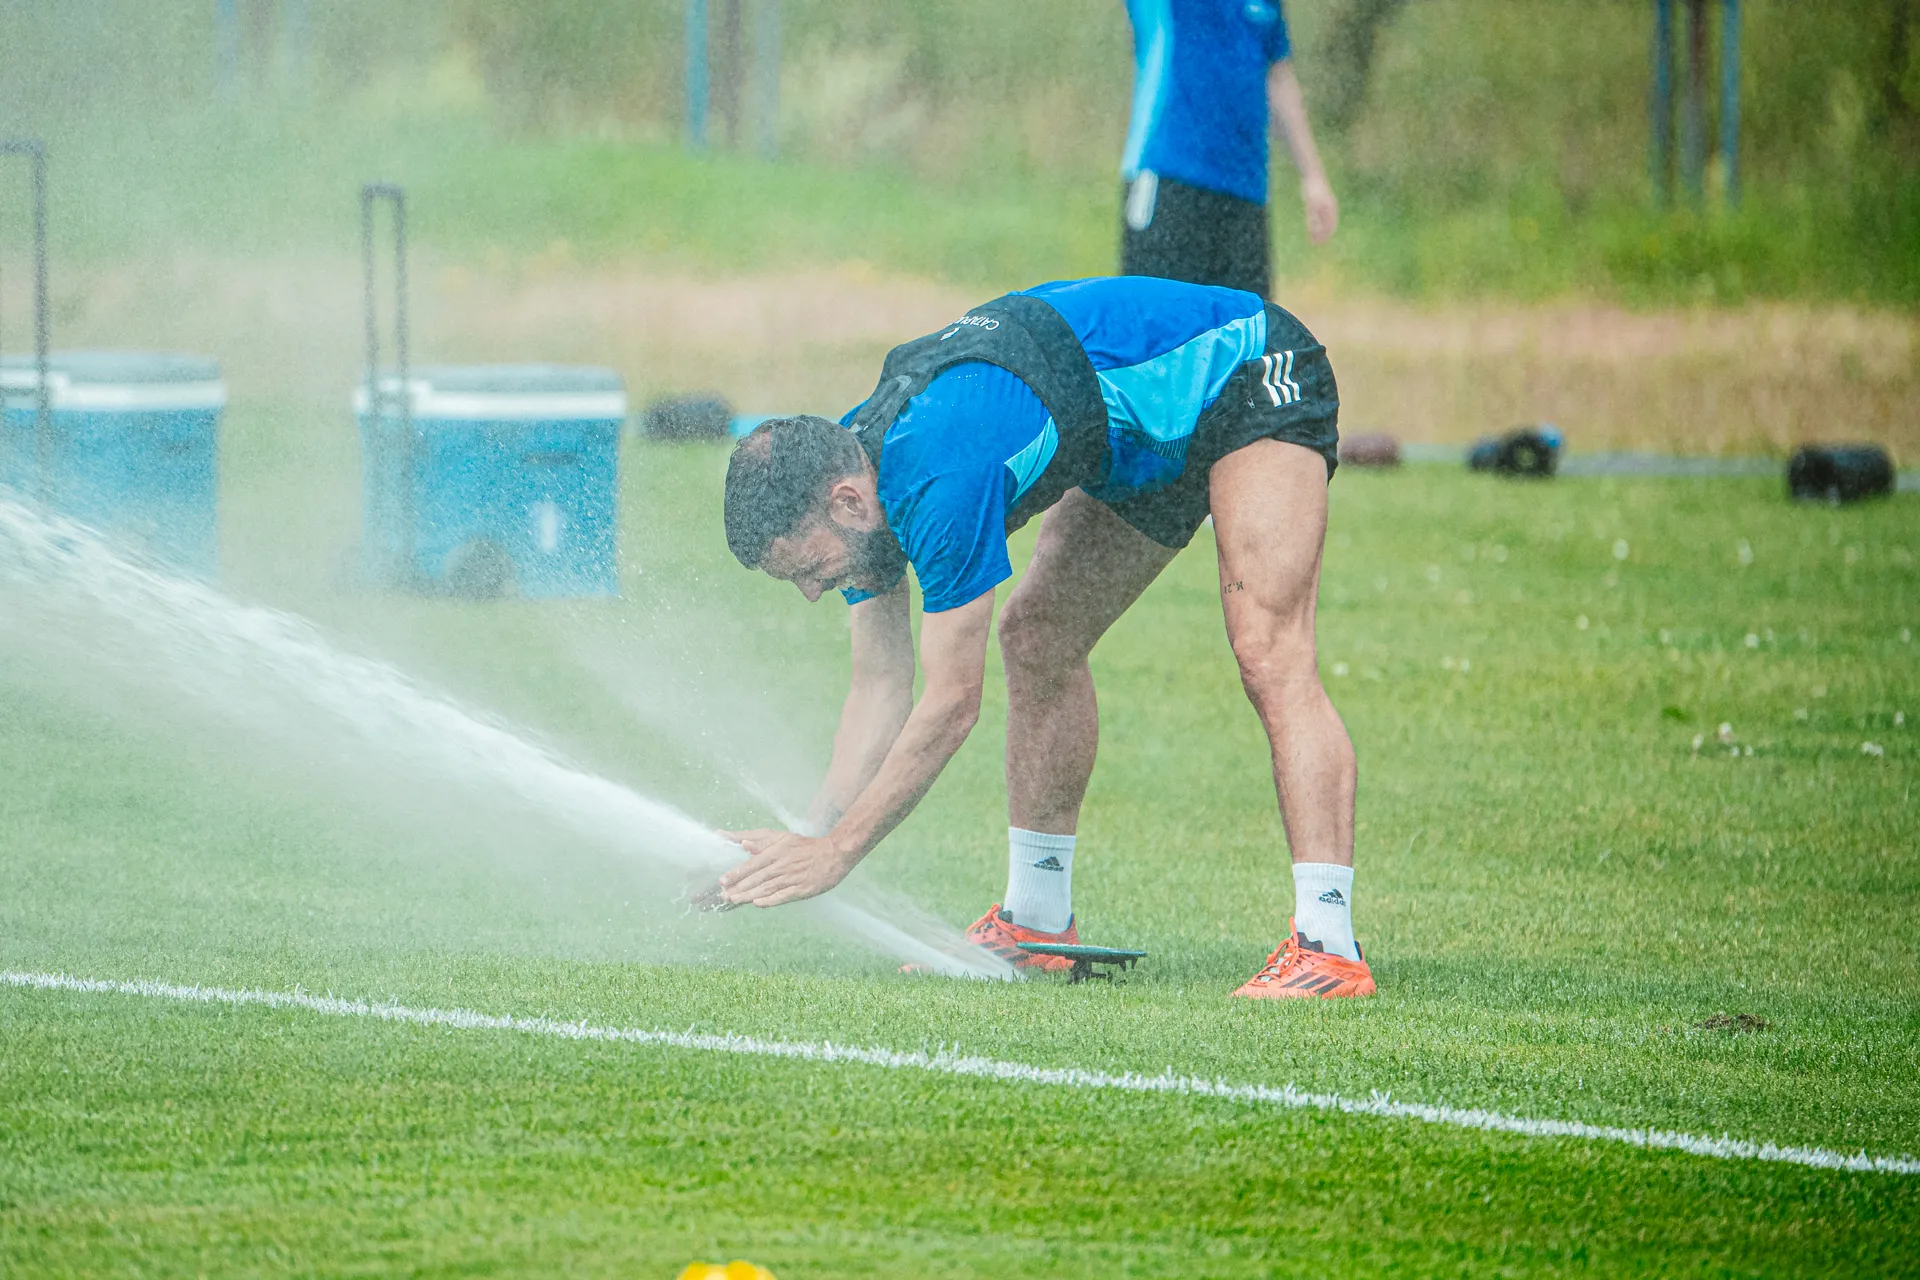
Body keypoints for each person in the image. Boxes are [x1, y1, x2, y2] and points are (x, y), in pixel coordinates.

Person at [716, 275, 1372, 999]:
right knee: (1038, 638)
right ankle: (1036, 923)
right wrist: (807, 839)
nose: (814, 592)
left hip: (1247, 372)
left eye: (808, 569)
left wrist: (839, 853)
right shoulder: (851, 471)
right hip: (1138, 442)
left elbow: (951, 704)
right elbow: (879, 686)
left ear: (846, 503)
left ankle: (1328, 947)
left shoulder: (938, 476)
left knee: (1268, 653)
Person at [1119, 0, 1337, 298]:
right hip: (1169, 176)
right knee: (1158, 318)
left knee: (1248, 322)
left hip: (1246, 189)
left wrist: (1313, 176)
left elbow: (1277, 76)